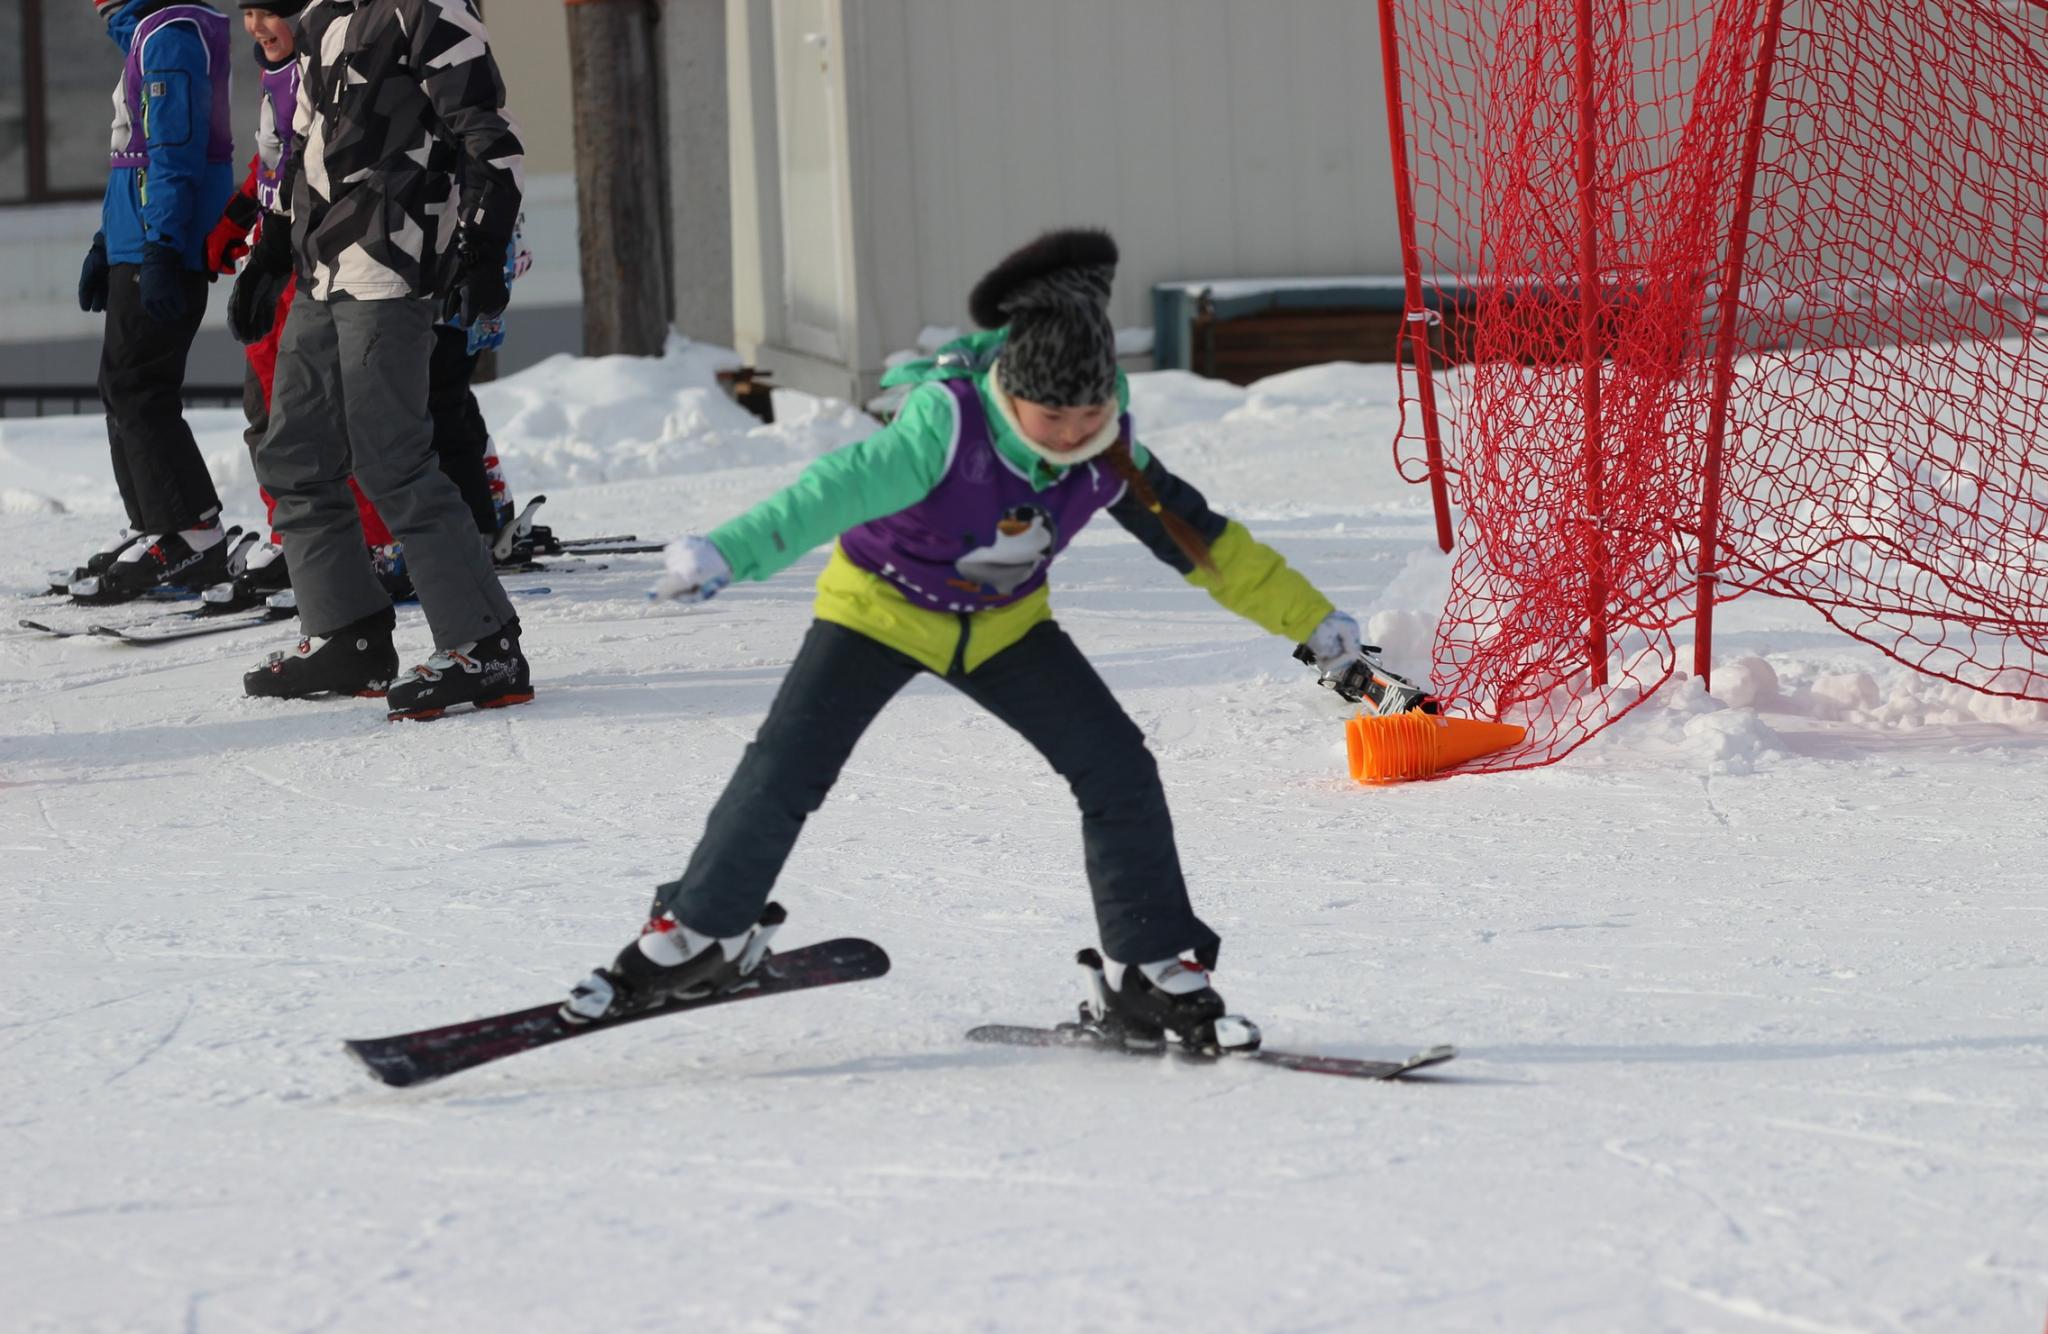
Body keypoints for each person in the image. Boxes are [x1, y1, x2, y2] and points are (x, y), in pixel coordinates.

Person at [560, 229, 1384, 1047]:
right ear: (1011, 391)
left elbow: (1208, 546)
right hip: (878, 609)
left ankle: (1151, 967)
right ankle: (704, 933)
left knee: (1117, 764)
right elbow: (826, 493)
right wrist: (726, 551)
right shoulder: (944, 428)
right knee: (787, 763)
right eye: (1052, 414)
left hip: (1001, 628)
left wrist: (1309, 620)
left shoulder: (1110, 454)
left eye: (1091, 409)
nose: (1071, 431)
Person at [228, 0, 532, 717]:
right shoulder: (320, 17)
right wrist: (271, 248)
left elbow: (491, 134)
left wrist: (483, 249)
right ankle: (347, 632)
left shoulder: (425, 8)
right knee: (294, 450)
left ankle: (485, 645)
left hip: (391, 258)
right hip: (320, 262)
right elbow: (303, 141)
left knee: (389, 455)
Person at [67, 0, 239, 602]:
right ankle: (155, 524)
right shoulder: (148, 35)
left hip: (160, 244)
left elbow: (175, 154)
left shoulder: (172, 37)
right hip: (137, 240)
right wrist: (104, 242)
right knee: (121, 386)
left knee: (140, 387)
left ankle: (191, 529)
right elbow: (133, 160)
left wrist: (162, 245)